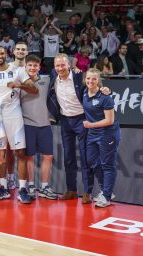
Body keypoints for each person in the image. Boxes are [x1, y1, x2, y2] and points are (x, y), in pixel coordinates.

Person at [48, 53, 110, 203]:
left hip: (82, 120)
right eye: (57, 65)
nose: (60, 68)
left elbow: (93, 84)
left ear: (69, 65)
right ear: (54, 67)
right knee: (68, 157)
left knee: (85, 157)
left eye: (63, 65)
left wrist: (105, 89)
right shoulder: (52, 76)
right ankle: (71, 190)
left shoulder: (78, 76)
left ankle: (87, 192)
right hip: (65, 121)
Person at [0, 46, 38, 204]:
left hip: (14, 116)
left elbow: (34, 89)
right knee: (0, 156)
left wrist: (18, 85)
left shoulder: (18, 71)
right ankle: (3, 189)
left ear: (6, 54)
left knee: (20, 153)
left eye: (2, 53)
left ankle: (22, 190)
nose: (0, 55)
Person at [21, 55, 58, 200]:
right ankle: (30, 186)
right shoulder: (20, 82)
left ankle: (44, 187)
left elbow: (61, 73)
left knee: (48, 156)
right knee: (29, 156)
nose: (32, 68)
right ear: (25, 67)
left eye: (35, 65)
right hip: (28, 124)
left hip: (45, 124)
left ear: (39, 67)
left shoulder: (46, 79)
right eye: (29, 65)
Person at [83, 69, 121, 207]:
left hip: (107, 133)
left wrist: (90, 124)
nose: (90, 81)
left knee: (107, 164)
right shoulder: (84, 93)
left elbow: (109, 120)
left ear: (98, 80)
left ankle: (106, 195)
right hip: (93, 133)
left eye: (93, 79)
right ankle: (107, 189)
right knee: (92, 161)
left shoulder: (105, 97)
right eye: (88, 78)